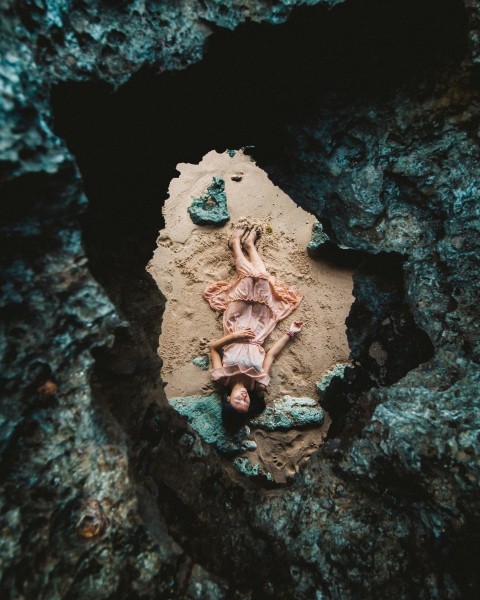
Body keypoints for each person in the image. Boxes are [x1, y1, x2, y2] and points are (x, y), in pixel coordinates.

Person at [204, 219, 304, 427]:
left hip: (236, 324)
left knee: (250, 280)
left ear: (228, 400)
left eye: (238, 401)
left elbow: (213, 348)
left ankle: (235, 244)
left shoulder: (220, 377)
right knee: (263, 282)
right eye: (247, 403)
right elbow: (271, 355)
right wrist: (291, 333)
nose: (244, 398)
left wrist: (236, 337)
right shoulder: (258, 382)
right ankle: (248, 245)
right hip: (260, 328)